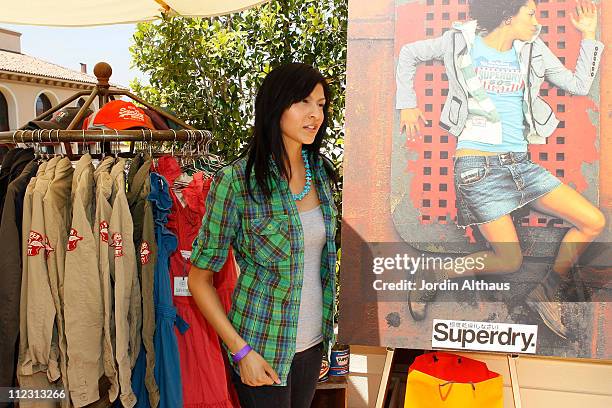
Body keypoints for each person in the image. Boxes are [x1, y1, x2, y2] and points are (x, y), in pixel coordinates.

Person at [396, 0, 605, 337]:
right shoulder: (458, 41)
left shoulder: (534, 49)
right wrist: (406, 103)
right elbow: (409, 53)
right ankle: (434, 275)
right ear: (508, 16)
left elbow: (578, 84)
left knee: (593, 222)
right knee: (510, 261)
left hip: (520, 165)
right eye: (531, 13)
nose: (537, 22)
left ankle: (546, 293)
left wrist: (590, 35)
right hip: (477, 168)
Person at [188, 63, 338, 408]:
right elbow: (199, 279)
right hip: (261, 347)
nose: (315, 114)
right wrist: (240, 352)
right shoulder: (237, 182)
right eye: (303, 102)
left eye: (321, 104)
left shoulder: (322, 174)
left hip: (313, 345)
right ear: (275, 105)